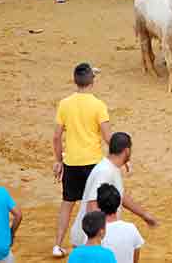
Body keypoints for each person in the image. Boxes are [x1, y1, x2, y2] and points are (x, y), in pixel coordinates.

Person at [52, 63, 112, 257]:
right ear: (92, 81)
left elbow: (56, 137)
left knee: (67, 203)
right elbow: (107, 137)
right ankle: (93, 244)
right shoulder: (98, 105)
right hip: (93, 162)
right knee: (93, 204)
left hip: (71, 162)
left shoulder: (64, 104)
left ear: (75, 80)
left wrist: (59, 160)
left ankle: (57, 244)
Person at [70, 132, 158, 247]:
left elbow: (121, 195)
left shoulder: (110, 168)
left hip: (95, 238)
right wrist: (95, 242)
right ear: (127, 151)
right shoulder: (105, 172)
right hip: (90, 241)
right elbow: (92, 206)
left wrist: (144, 214)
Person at [97, 184, 144, 263]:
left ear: (98, 205)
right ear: (119, 203)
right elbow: (135, 259)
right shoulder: (131, 228)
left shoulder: (94, 233)